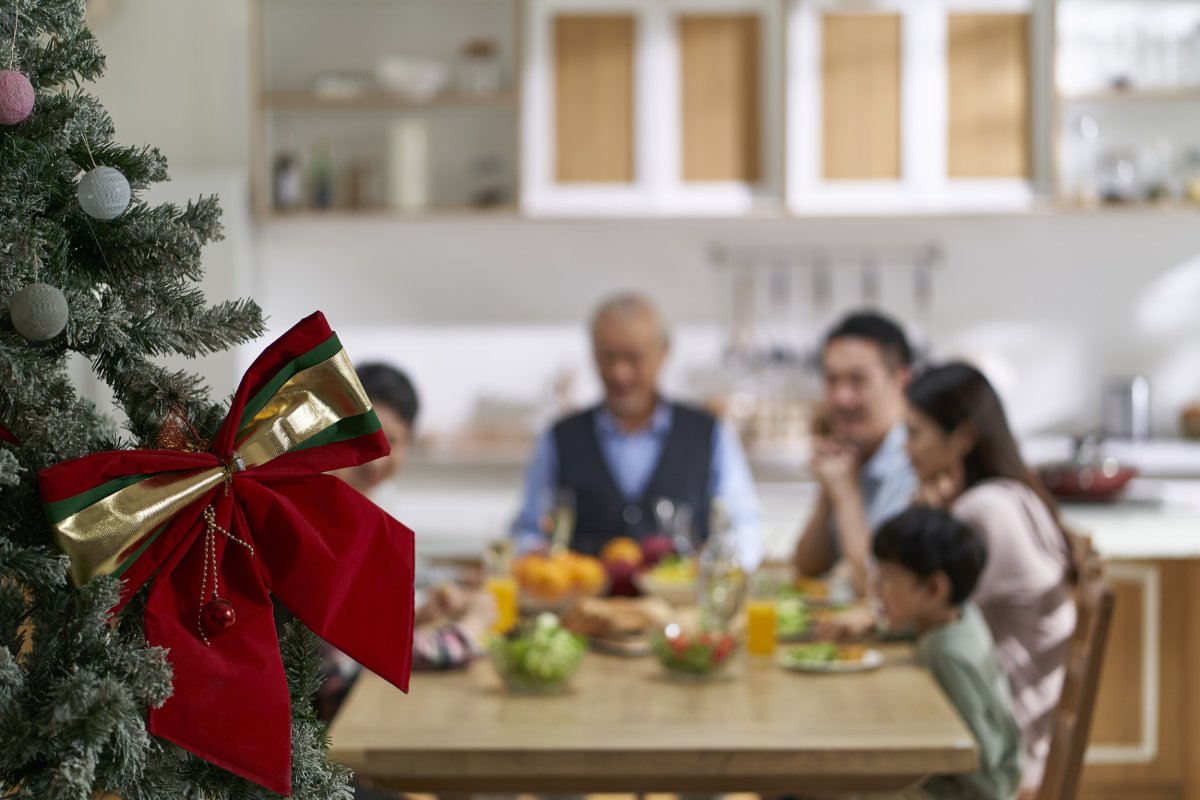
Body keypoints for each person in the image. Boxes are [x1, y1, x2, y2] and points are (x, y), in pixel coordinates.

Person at [512, 293, 762, 569]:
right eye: (608, 356)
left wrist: (720, 563)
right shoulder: (559, 436)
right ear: (593, 353)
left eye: (634, 357)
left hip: (682, 606)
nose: (620, 373)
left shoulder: (710, 432)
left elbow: (744, 526)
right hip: (582, 608)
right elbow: (528, 530)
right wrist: (534, 556)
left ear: (663, 353)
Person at [317, 363, 495, 720]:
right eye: (359, 435)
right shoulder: (318, 516)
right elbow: (349, 661)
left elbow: (365, 621)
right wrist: (470, 631)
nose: (375, 455)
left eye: (391, 440)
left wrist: (423, 613)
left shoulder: (374, 500)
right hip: (322, 735)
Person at [872, 506, 1023, 800]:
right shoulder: (960, 615)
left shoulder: (946, 654)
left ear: (933, 587)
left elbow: (978, 756)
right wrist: (877, 626)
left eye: (887, 576)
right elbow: (913, 626)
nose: (876, 586)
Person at [792, 312, 918, 594]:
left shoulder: (915, 461)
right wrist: (829, 492)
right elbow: (807, 568)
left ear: (901, 381)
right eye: (831, 380)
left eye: (857, 380)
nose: (840, 397)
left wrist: (846, 491)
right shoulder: (851, 455)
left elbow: (879, 590)